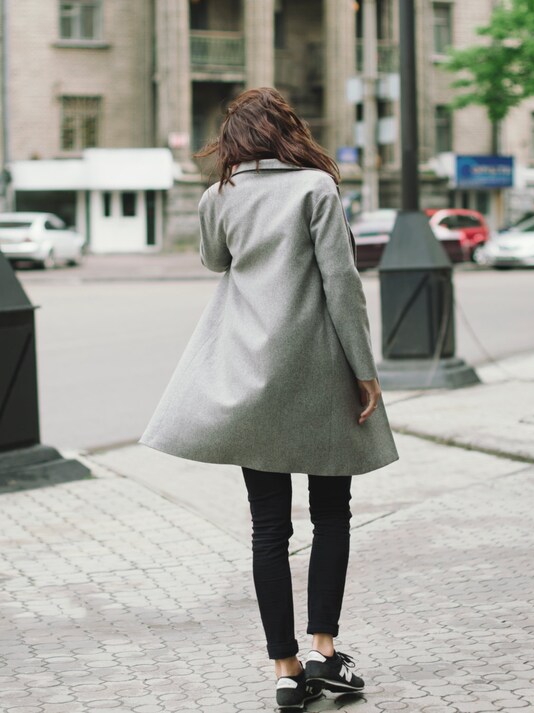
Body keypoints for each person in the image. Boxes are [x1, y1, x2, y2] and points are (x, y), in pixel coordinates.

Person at [140, 87, 399, 710]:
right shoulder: (316, 188)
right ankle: (324, 651)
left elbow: (215, 260)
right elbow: (342, 283)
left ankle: (285, 671)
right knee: (331, 514)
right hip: (320, 373)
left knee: (268, 528)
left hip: (249, 377)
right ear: (288, 131)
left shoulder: (218, 196)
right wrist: (365, 371)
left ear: (234, 140)